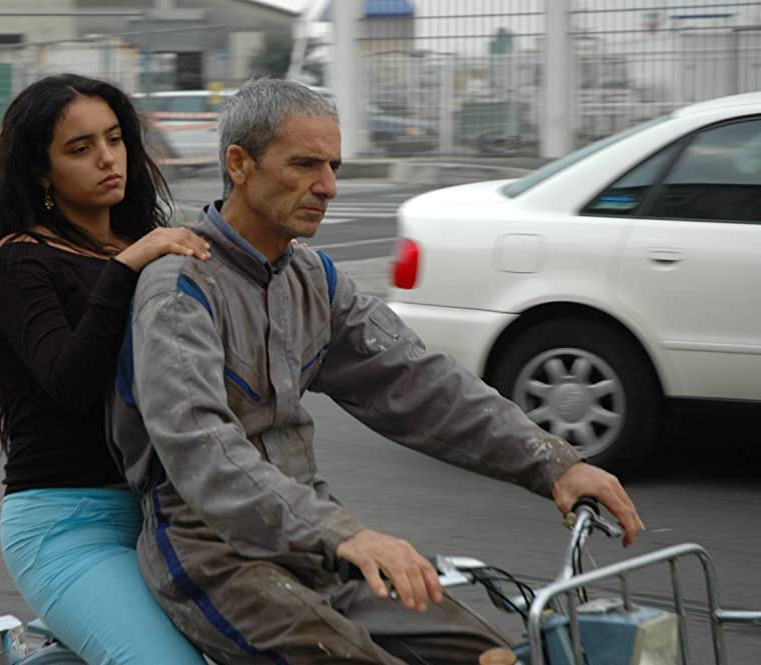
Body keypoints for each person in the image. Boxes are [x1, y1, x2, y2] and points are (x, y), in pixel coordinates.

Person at [110, 78, 645, 665]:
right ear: (239, 164)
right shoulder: (181, 289)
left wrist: (552, 462)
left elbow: (417, 381)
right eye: (306, 164)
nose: (329, 186)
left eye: (334, 165)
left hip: (315, 549)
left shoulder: (315, 280)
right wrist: (344, 534)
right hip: (215, 554)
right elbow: (203, 453)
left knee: (493, 656)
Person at [0, 73, 210, 665]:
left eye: (115, 139)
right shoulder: (18, 260)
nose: (107, 158)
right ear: (41, 171)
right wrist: (126, 268)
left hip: (166, 515)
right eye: (80, 148)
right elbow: (70, 383)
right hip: (67, 527)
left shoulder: (145, 243)